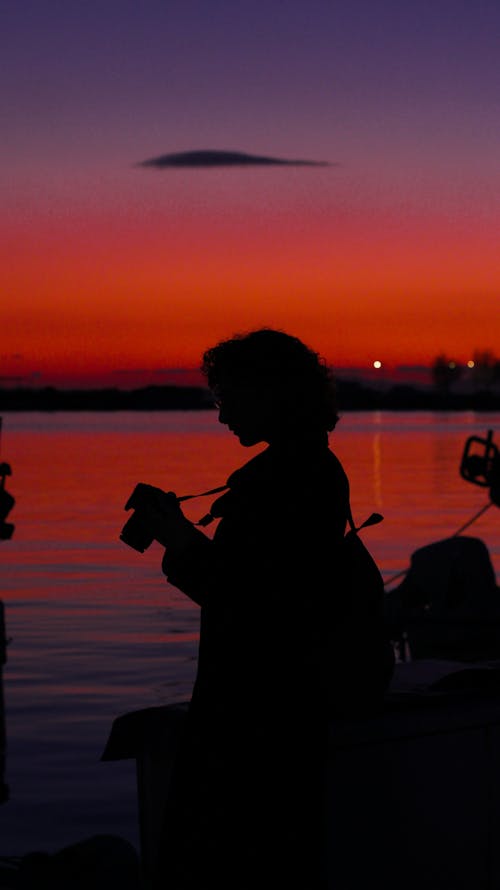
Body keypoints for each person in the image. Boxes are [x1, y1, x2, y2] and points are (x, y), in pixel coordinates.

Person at [136, 328, 393, 889]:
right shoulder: (305, 469)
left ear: (269, 393)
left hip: (259, 715)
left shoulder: (290, 477)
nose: (221, 413)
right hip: (275, 710)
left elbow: (257, 601)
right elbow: (261, 586)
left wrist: (179, 543)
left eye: (227, 396)